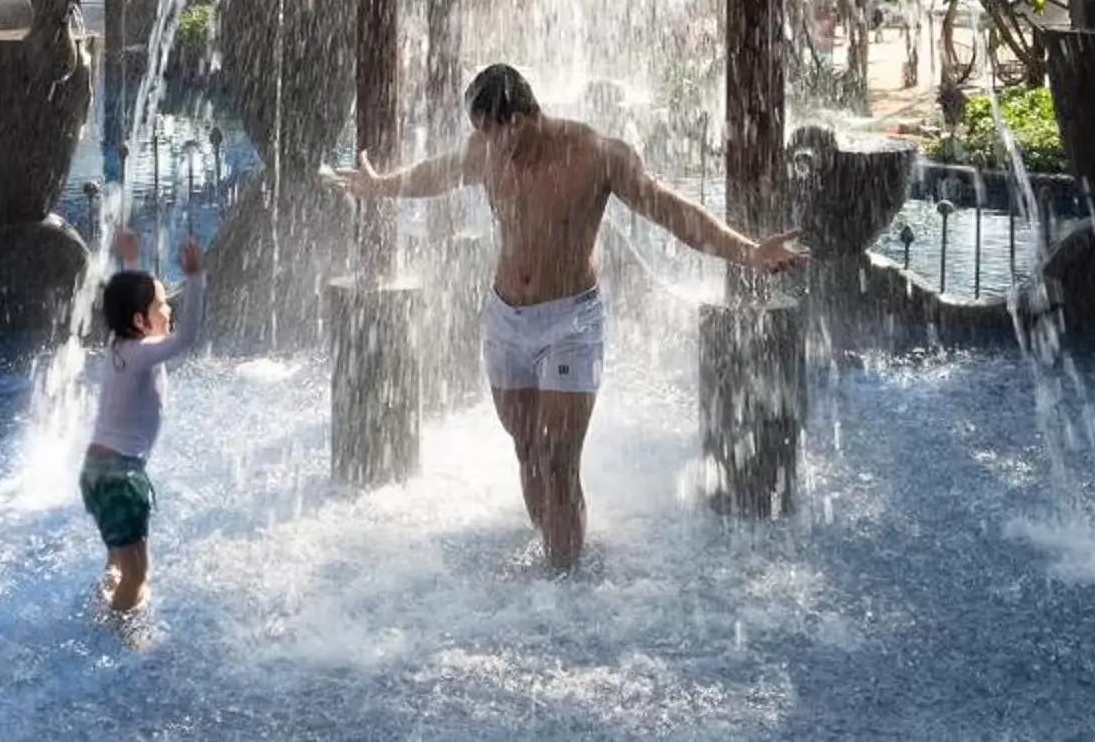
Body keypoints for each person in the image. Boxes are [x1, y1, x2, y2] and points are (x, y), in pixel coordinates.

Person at [341, 63, 809, 572]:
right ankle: (552, 560)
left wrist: (749, 253)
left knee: (559, 461)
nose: (491, 148)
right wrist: (380, 186)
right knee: (526, 449)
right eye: (483, 136)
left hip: (570, 325)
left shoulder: (595, 156)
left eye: (498, 134)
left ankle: (564, 583)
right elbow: (436, 173)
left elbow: (674, 214)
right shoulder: (486, 149)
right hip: (505, 321)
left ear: (525, 116)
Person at [84, 226, 206, 617]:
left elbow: (130, 302)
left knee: (118, 561)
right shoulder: (141, 353)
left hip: (95, 471)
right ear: (141, 321)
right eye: (162, 305)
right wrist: (196, 279)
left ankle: (102, 605)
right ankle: (120, 631)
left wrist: (132, 262)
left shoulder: (118, 344)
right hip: (123, 475)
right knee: (139, 572)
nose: (169, 308)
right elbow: (187, 338)